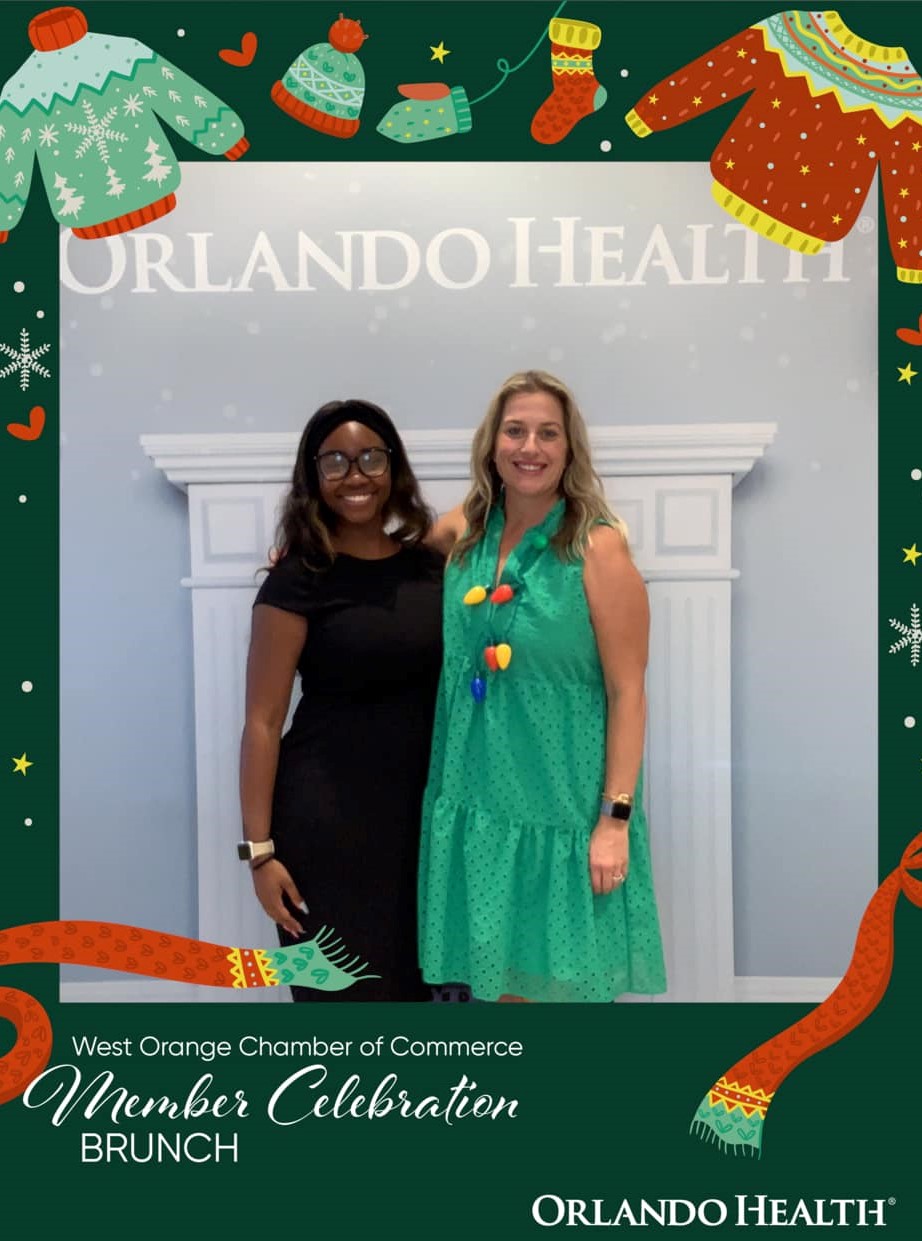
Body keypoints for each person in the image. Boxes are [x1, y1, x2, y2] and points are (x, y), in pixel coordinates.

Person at [419, 371, 667, 1003]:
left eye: (548, 433)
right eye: (515, 431)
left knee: (560, 997)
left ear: (569, 448)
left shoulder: (597, 550)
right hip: (477, 801)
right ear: (492, 445)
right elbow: (392, 553)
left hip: (562, 809)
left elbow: (628, 694)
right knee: (497, 992)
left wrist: (614, 821)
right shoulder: (466, 532)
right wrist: (313, 555)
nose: (530, 447)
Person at [240, 400, 444, 1001]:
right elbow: (262, 721)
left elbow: (495, 515)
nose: (355, 475)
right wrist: (260, 853)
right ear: (313, 476)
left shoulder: (431, 570)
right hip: (325, 829)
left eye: (370, 458)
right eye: (335, 462)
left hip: (420, 828)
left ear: (393, 467)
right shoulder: (298, 579)